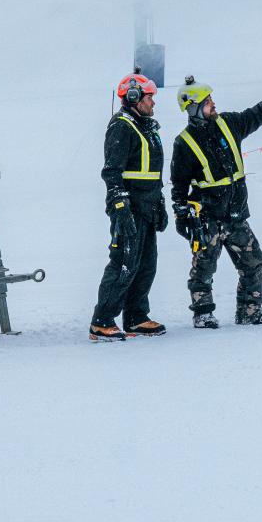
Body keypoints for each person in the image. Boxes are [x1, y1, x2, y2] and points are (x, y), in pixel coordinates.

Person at [170, 74, 262, 328]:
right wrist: (182, 216)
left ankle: (249, 311)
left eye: (211, 99)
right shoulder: (184, 143)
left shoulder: (229, 124)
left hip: (235, 217)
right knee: (203, 269)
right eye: (208, 101)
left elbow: (260, 112)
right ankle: (203, 314)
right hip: (207, 220)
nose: (213, 103)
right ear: (194, 108)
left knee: (254, 263)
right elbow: (178, 186)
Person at [90, 71, 169, 339]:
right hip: (130, 208)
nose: (153, 103)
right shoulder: (122, 126)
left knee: (147, 264)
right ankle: (101, 321)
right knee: (124, 263)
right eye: (150, 98)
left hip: (147, 206)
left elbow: (152, 173)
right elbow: (112, 172)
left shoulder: (147, 127)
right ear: (134, 97)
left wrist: (159, 203)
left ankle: (136, 316)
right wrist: (120, 206)